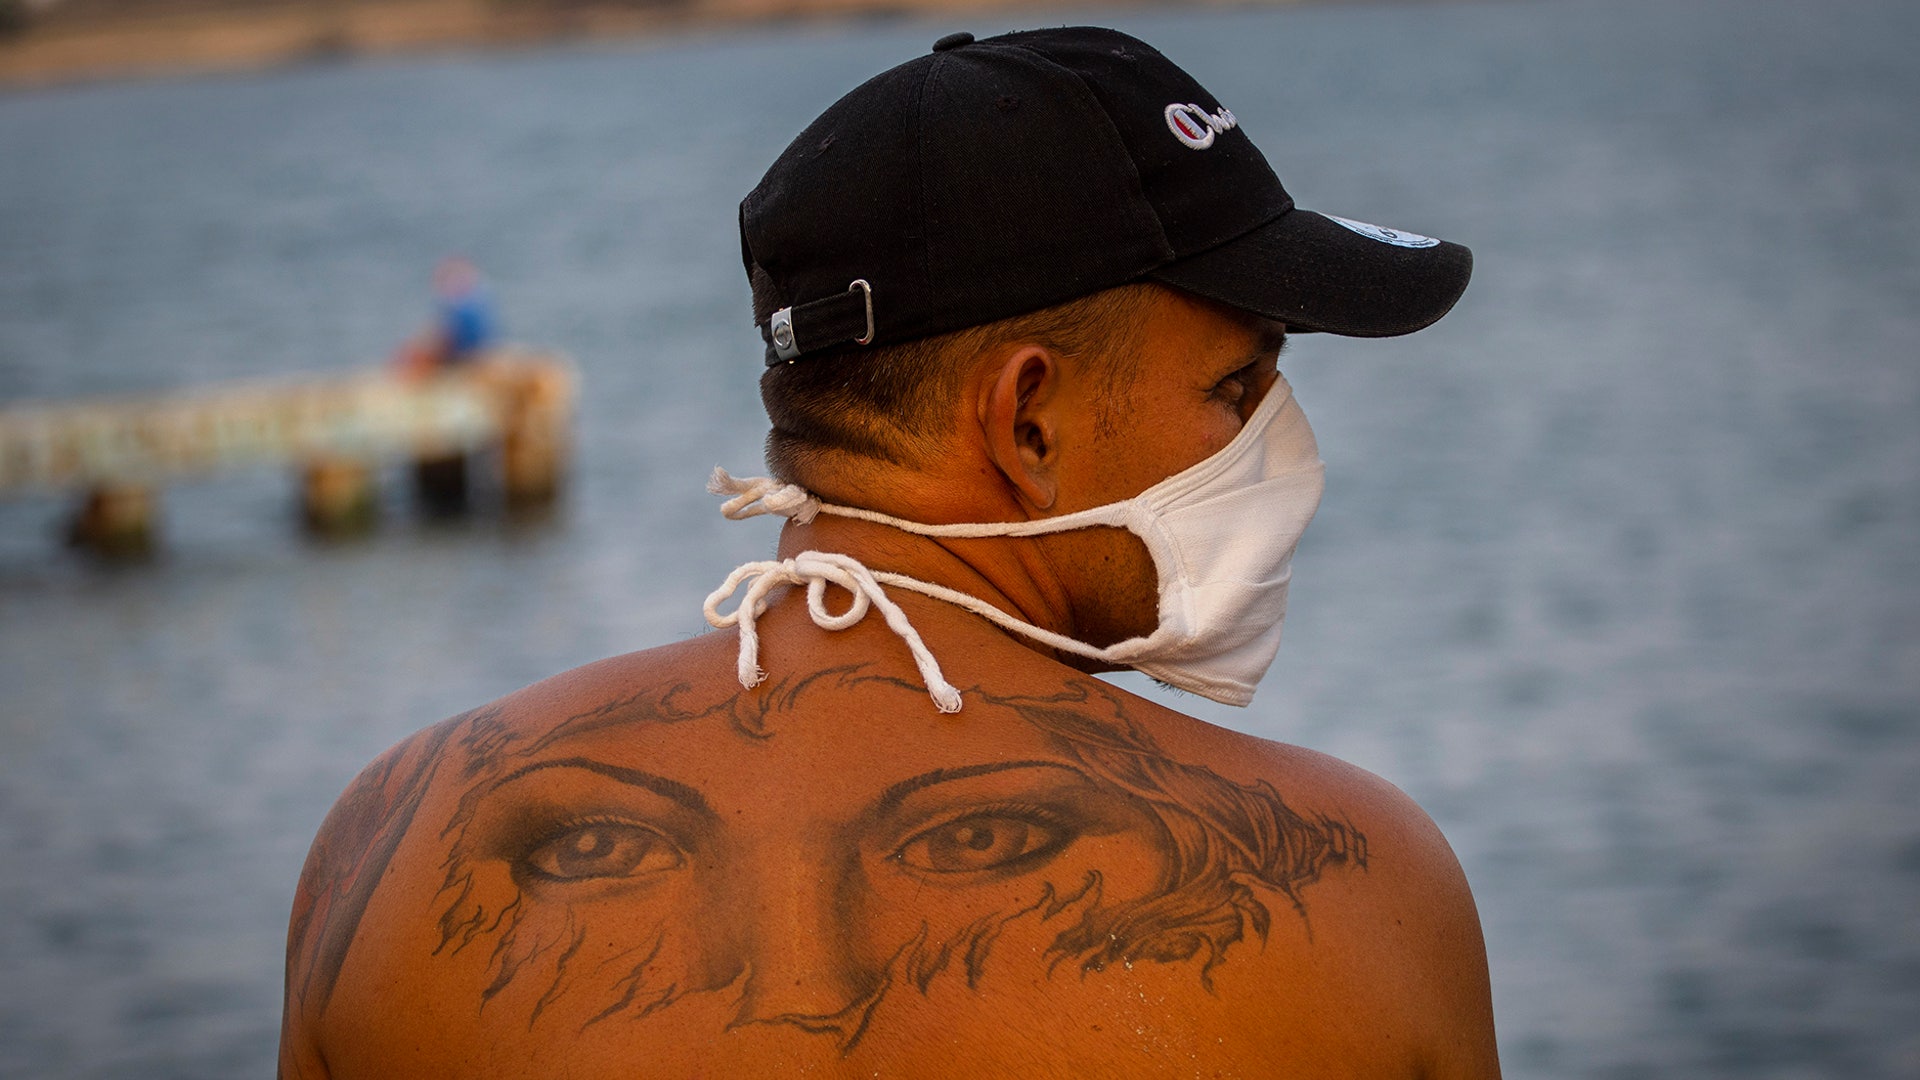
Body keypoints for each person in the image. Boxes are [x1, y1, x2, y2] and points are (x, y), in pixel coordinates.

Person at [280, 27, 1500, 1079]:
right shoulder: (1359, 885)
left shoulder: (385, 849)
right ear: (1030, 419)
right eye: (1239, 385)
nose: (1272, 444)